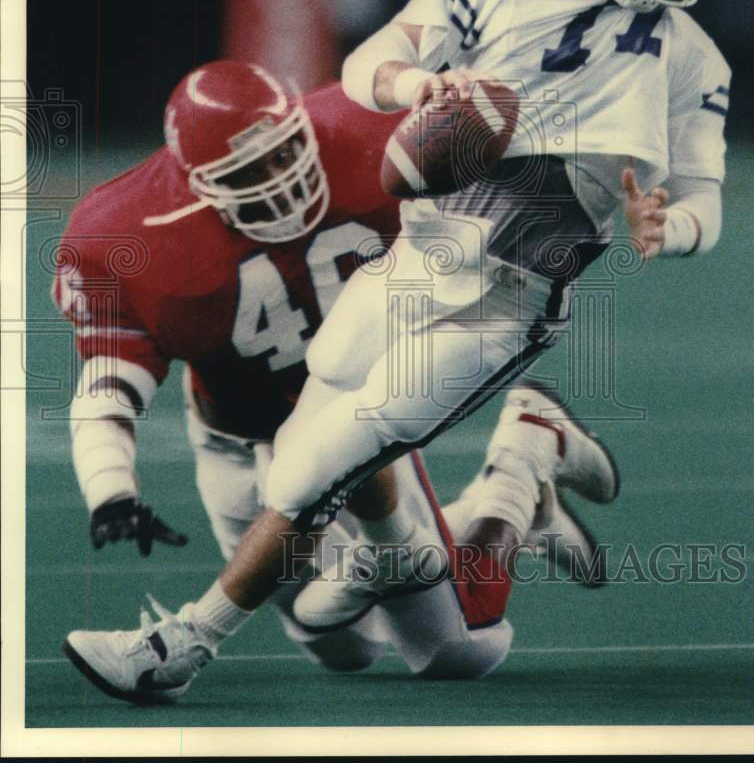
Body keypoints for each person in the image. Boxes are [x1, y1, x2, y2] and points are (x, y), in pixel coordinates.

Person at [61, 0, 722, 700]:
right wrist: (422, 89)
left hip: (509, 294)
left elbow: (706, 200)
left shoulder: (691, 60)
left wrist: (668, 226)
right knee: (322, 418)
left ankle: (180, 647)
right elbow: (374, 59)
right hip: (424, 246)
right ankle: (520, 467)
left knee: (316, 462)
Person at [55, 59, 613, 694]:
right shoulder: (128, 236)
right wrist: (111, 490)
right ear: (200, 186)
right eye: (248, 173)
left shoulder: (374, 135)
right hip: (236, 445)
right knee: (343, 646)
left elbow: (519, 139)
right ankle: (508, 490)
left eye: (286, 152)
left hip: (358, 412)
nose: (279, 182)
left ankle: (509, 477)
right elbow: (108, 387)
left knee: (459, 653)